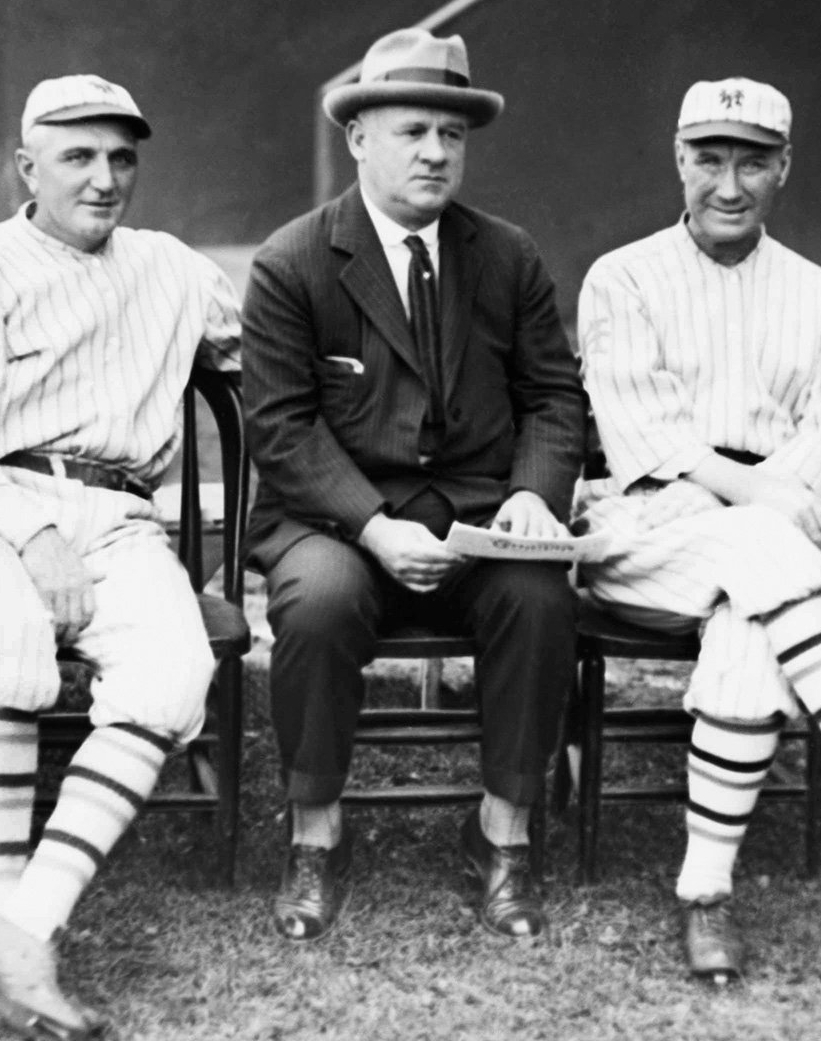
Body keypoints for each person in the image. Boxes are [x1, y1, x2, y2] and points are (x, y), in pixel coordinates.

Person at [576, 77, 821, 980]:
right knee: (764, 553)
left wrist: (745, 502)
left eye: (751, 161)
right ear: (678, 160)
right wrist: (750, 500)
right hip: (642, 534)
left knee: (750, 619)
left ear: (783, 168)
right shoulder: (624, 277)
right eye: (709, 158)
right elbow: (644, 441)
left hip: (759, 559)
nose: (729, 184)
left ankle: (704, 895)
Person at [0, 74, 241, 1041]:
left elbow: (263, 347)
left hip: (119, 518)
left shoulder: (171, 268)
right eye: (79, 156)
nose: (104, 178)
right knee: (5, 650)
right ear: (27, 167)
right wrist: (30, 533)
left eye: (122, 157)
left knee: (174, 678)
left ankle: (15, 930)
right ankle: (14, 933)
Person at [242, 28, 583, 943]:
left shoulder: (507, 256)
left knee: (537, 591)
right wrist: (373, 525)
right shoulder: (294, 260)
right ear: (358, 138)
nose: (435, 152)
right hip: (333, 517)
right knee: (316, 600)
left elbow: (554, 396)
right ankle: (315, 836)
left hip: (478, 515)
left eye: (452, 134)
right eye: (411, 131)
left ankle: (501, 835)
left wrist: (532, 495)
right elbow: (280, 427)